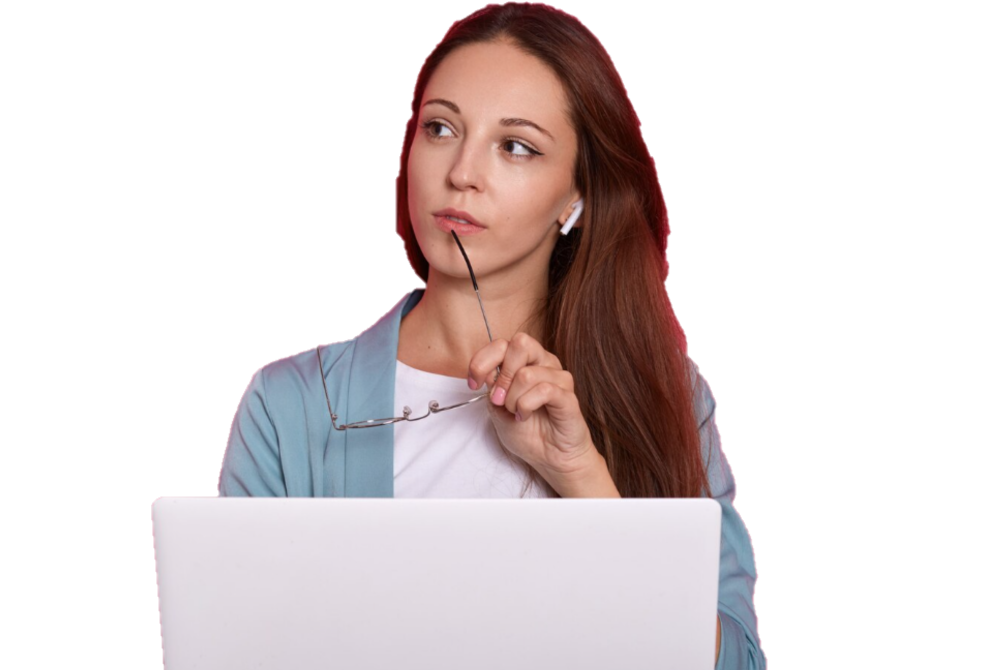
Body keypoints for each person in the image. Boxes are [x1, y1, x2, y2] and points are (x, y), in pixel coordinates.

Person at [218, 3, 765, 668]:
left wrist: (582, 479)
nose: (461, 172)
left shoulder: (667, 391)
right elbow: (233, 649)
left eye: (516, 146)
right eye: (441, 128)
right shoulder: (289, 407)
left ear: (576, 198)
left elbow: (735, 661)